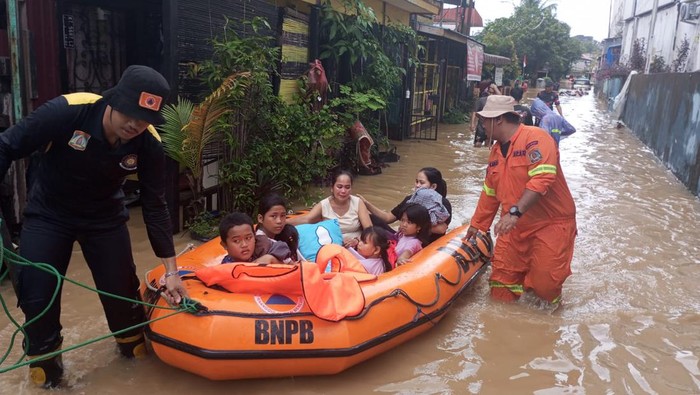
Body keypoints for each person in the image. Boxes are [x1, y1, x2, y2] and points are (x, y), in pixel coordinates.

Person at [0, 65, 188, 388]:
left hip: (104, 217)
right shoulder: (68, 111)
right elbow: (7, 145)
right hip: (49, 214)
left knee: (125, 303)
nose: (134, 124)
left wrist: (172, 271)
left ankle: (130, 366)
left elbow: (156, 206)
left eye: (143, 120)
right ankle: (49, 374)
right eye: (129, 113)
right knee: (37, 296)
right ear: (114, 99)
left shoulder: (149, 143)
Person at [463, 95, 576, 307]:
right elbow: (489, 192)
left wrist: (514, 212)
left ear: (498, 120)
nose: (482, 126)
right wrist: (477, 225)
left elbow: (543, 177)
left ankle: (547, 320)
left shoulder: (536, 138)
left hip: (550, 223)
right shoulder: (496, 152)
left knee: (545, 286)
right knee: (500, 285)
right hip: (514, 225)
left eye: (484, 121)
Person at [360, 167, 452, 244]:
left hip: (425, 244)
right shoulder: (410, 199)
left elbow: (441, 229)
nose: (417, 185)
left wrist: (411, 225)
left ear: (433, 187)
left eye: (422, 183)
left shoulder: (442, 204)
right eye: (416, 182)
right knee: (372, 218)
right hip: (404, 238)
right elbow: (388, 218)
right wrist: (367, 204)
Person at [287, 170, 371, 249]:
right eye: (339, 187)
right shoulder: (324, 205)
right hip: (333, 247)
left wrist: (356, 240)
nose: (343, 191)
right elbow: (307, 219)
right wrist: (283, 223)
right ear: (332, 188)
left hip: (358, 247)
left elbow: (369, 230)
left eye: (347, 187)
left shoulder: (358, 203)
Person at [220, 212, 294, 264]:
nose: (244, 245)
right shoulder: (226, 268)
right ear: (224, 245)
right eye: (236, 241)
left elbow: (281, 249)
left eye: (248, 238)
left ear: (254, 236)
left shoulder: (261, 247)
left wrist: (270, 258)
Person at [256, 193, 298, 262]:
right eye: (273, 216)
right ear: (260, 218)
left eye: (282, 215)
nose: (279, 221)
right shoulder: (261, 242)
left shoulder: (284, 234)